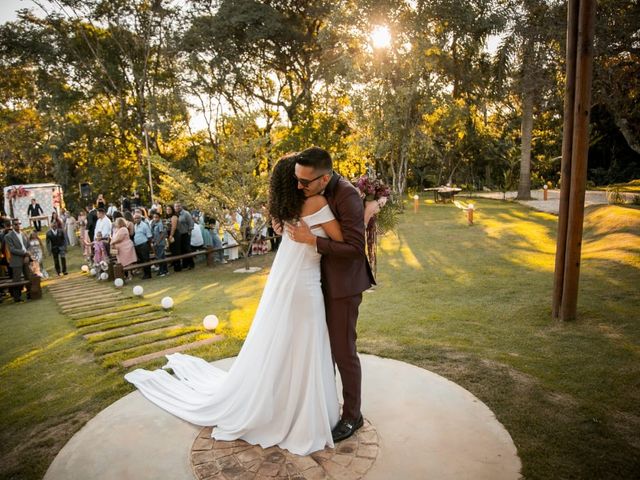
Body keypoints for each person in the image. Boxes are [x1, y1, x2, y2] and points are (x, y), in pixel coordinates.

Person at [126, 154, 344, 455]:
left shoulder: (285, 211)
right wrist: (370, 209)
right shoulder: (316, 204)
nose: (301, 182)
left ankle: (283, 404)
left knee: (286, 346)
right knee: (306, 344)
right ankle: (300, 413)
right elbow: (343, 240)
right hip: (304, 287)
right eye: (298, 178)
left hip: (286, 284)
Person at [286, 146, 376, 442]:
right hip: (316, 283)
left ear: (324, 179)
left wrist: (313, 241)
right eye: (297, 180)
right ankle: (326, 408)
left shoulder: (347, 196)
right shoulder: (313, 192)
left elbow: (354, 250)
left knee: (343, 352)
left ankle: (353, 416)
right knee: (322, 350)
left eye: (304, 182)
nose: (298, 187)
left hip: (343, 288)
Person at [5, 219, 32, 302]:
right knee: (17, 280)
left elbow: (29, 246)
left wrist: (27, 255)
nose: (18, 225)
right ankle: (17, 297)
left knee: (28, 277)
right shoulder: (8, 236)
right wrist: (25, 253)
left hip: (26, 259)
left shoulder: (24, 233)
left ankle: (30, 294)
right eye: (16, 224)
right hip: (16, 260)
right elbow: (12, 249)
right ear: (12, 225)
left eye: (19, 224)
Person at [133, 213, 153, 279]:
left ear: (140, 218)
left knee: (146, 259)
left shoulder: (144, 225)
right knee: (142, 260)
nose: (136, 219)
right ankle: (145, 274)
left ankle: (148, 274)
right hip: (137, 245)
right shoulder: (135, 225)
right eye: (135, 218)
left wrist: (149, 245)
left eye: (138, 218)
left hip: (144, 244)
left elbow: (149, 236)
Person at [150, 211, 168, 277]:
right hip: (156, 242)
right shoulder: (154, 224)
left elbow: (162, 234)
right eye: (154, 217)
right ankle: (165, 270)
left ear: (159, 218)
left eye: (156, 217)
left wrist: (157, 242)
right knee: (162, 256)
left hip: (160, 243)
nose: (155, 218)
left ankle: (162, 271)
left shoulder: (160, 224)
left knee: (160, 257)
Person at [165, 205, 180, 272]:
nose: (168, 210)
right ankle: (175, 265)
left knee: (176, 250)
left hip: (174, 234)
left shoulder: (174, 216)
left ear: (172, 210)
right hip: (169, 234)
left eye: (169, 209)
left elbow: (173, 227)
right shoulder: (168, 217)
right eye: (167, 209)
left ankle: (177, 267)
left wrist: (171, 235)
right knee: (172, 250)